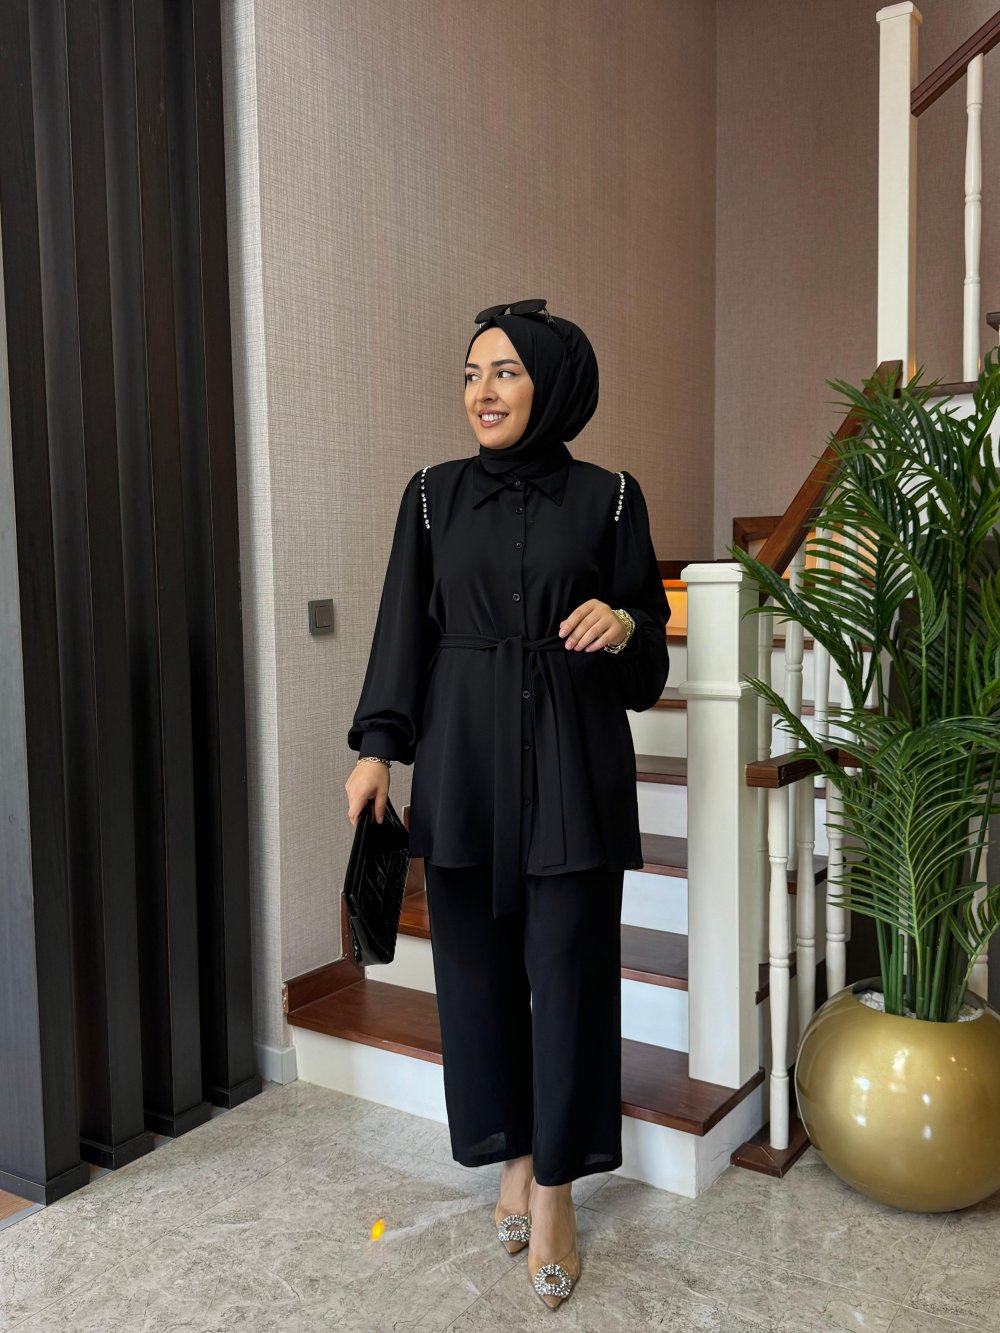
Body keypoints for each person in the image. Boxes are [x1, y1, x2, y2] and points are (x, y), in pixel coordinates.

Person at [345, 300, 670, 1310]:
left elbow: (646, 659)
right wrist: (376, 750)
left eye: (505, 372)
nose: (481, 393)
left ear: (552, 385)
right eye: (471, 374)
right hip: (465, 762)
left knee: (568, 977)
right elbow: (403, 627)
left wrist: (624, 622)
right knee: (477, 981)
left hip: (574, 759)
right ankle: (514, 1156)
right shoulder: (431, 497)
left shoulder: (611, 498)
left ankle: (559, 1188)